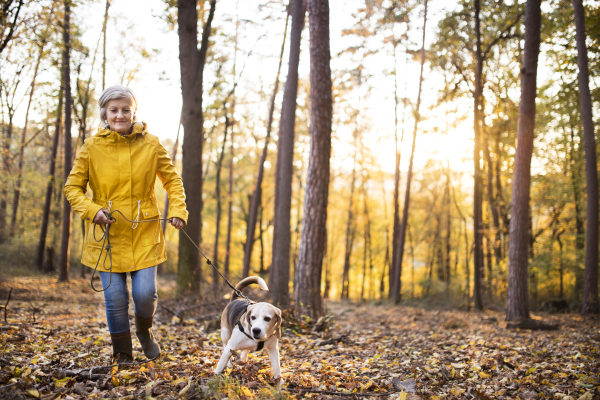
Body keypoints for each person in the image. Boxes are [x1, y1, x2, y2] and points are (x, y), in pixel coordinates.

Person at [63, 86, 188, 363]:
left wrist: (179, 209)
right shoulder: (91, 147)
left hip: (144, 232)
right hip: (106, 235)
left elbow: (173, 181)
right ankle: (122, 352)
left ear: (134, 112)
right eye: (114, 110)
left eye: (125, 109)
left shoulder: (151, 144)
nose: (120, 115)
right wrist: (92, 210)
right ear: (105, 114)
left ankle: (145, 331)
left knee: (145, 294)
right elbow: (72, 188)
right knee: (116, 298)